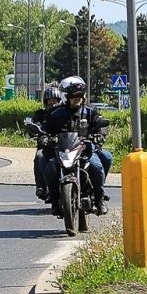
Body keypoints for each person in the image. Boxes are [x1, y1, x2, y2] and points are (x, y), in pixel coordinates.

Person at [41, 76, 111, 214]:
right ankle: (54, 201)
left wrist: (100, 134)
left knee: (97, 166)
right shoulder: (56, 113)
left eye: (80, 96)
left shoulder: (90, 111)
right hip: (64, 150)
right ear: (66, 97)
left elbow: (100, 124)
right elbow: (45, 128)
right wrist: (44, 137)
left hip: (86, 150)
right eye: (74, 96)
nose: (77, 99)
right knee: (50, 169)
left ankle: (99, 199)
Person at [29, 85, 65, 202]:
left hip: (64, 146)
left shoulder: (64, 114)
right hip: (47, 146)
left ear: (59, 101)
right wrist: (34, 131)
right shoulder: (40, 114)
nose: (52, 103)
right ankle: (41, 187)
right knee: (39, 156)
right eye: (50, 101)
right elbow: (34, 125)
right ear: (45, 102)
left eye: (55, 100)